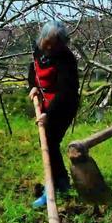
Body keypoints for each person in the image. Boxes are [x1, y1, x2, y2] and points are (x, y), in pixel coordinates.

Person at [28, 20, 80, 208]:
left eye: (55, 44)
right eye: (47, 42)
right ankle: (61, 182)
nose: (50, 47)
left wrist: (49, 114)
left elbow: (66, 92)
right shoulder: (39, 50)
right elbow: (32, 70)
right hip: (45, 103)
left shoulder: (66, 59)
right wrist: (33, 86)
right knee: (48, 142)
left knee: (49, 142)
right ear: (42, 39)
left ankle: (54, 186)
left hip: (63, 105)